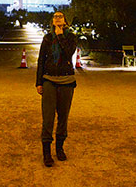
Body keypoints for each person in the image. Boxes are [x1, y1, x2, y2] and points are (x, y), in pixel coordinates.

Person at [35, 10, 78, 167]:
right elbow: (41, 60)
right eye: (55, 17)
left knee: (63, 117)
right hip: (49, 80)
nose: (57, 18)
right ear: (52, 21)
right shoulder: (47, 38)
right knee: (48, 117)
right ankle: (46, 152)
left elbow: (68, 54)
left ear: (65, 21)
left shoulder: (71, 37)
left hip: (67, 80)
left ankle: (59, 148)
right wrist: (38, 82)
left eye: (60, 16)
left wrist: (60, 35)